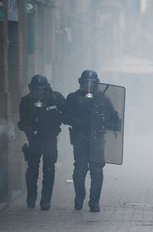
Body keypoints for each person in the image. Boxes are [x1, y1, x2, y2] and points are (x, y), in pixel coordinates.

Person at [63, 70, 121, 212]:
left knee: (96, 171)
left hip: (97, 140)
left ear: (96, 84)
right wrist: (79, 123)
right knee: (80, 170)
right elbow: (64, 116)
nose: (88, 86)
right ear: (81, 83)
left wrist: (104, 122)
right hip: (80, 139)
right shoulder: (73, 98)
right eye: (86, 83)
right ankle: (79, 196)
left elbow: (115, 120)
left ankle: (94, 202)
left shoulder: (103, 99)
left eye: (92, 83)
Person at [17, 74, 65, 210]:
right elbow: (22, 120)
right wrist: (28, 129)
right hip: (34, 139)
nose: (38, 93)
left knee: (49, 170)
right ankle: (31, 198)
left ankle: (45, 201)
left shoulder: (55, 99)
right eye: (35, 90)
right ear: (31, 89)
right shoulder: (26, 101)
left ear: (46, 89)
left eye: (40, 90)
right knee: (32, 170)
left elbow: (67, 112)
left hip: (50, 138)